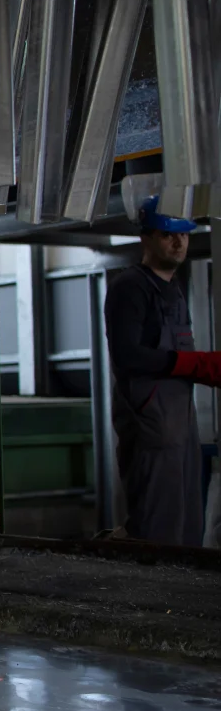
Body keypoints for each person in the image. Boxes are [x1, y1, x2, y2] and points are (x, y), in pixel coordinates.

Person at [104, 195, 221, 547]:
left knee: (187, 528)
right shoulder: (130, 287)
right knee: (157, 532)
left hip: (180, 429)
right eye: (168, 234)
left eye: (183, 235)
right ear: (146, 237)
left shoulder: (174, 289)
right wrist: (192, 364)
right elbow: (127, 355)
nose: (179, 242)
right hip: (151, 429)